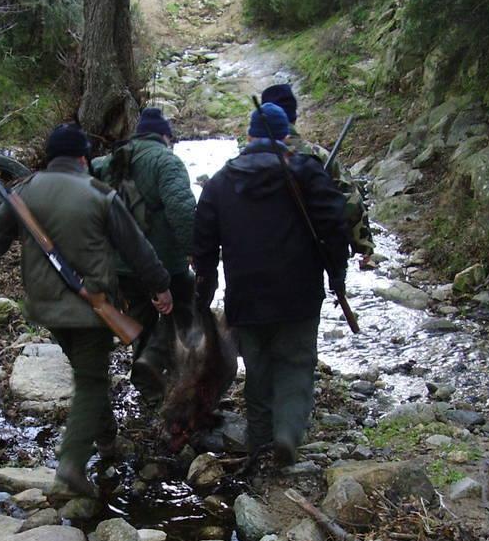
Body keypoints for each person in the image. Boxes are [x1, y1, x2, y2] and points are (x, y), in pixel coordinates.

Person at [0, 123, 174, 496]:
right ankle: (72, 461)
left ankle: (105, 439)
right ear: (83, 158)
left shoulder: (23, 193)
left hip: (46, 310)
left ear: (50, 158)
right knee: (91, 382)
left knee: (87, 373)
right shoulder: (99, 193)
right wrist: (161, 286)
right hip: (91, 309)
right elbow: (137, 249)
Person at [193, 103, 349, 465]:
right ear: (284, 137)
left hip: (246, 296)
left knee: (258, 369)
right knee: (296, 364)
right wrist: (337, 276)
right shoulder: (306, 172)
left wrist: (206, 290)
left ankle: (259, 441)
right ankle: (288, 435)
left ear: (248, 137)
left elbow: (202, 241)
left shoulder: (221, 181)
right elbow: (335, 226)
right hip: (300, 295)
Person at [91, 107, 196, 403]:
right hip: (165, 265)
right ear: (165, 136)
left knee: (140, 321)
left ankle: (149, 388)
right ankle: (175, 374)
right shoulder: (167, 162)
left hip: (122, 266)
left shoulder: (108, 161)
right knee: (183, 314)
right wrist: (194, 250)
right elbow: (182, 211)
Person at [260, 83, 378, 270]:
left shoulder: (249, 157)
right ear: (294, 117)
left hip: (260, 253)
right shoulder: (318, 155)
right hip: (311, 252)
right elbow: (350, 199)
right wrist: (363, 246)